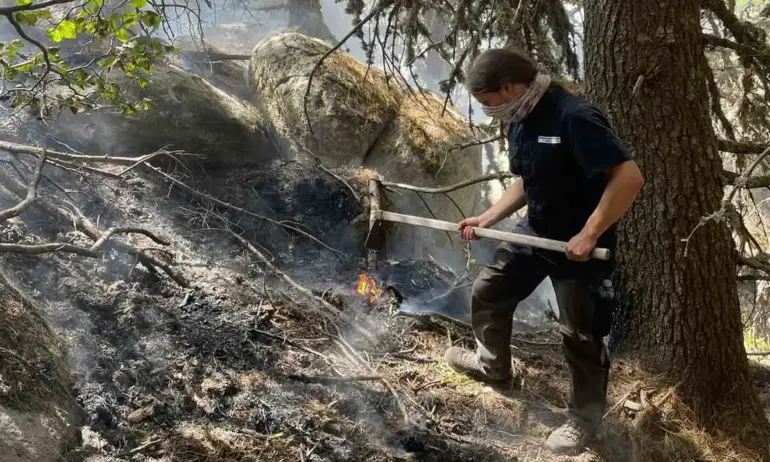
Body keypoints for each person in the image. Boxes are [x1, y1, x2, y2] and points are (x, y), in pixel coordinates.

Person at [444, 48, 644, 455]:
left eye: (487, 102)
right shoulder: (518, 118)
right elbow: (527, 179)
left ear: (509, 87)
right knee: (490, 290)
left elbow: (629, 176)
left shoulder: (574, 117)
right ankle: (492, 367)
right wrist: (488, 217)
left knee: (581, 334)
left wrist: (589, 234)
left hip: (581, 247)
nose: (486, 111)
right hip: (535, 231)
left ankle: (584, 422)